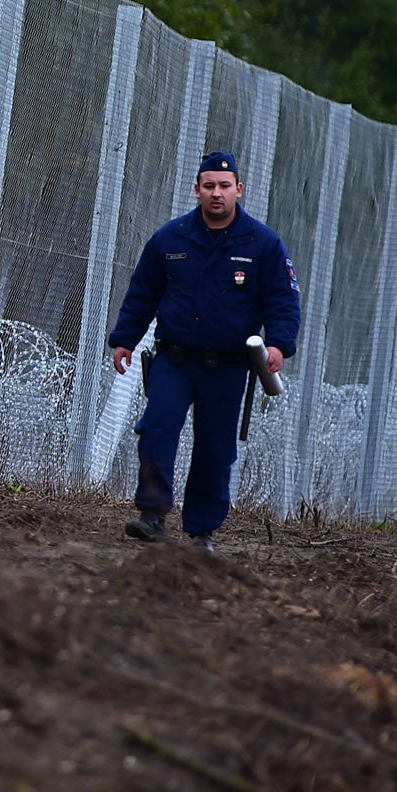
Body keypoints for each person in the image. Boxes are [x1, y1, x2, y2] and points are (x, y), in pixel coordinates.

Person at [107, 151, 300, 552]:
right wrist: (124, 339)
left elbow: (282, 300)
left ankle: (201, 532)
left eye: (225, 186)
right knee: (157, 429)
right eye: (209, 186)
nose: (217, 194)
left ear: (238, 190)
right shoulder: (170, 239)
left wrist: (279, 344)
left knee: (215, 449)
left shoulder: (262, 244)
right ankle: (152, 514)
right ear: (196, 190)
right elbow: (143, 294)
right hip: (174, 360)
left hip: (227, 367)